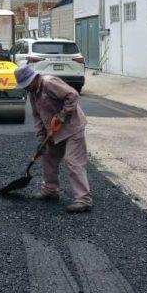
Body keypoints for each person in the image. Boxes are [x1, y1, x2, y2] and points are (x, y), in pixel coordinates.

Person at [13, 64, 92, 213]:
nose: (25, 88)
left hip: (72, 127)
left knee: (72, 160)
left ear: (34, 78)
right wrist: (41, 138)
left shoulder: (49, 83)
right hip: (54, 131)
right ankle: (50, 190)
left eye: (26, 84)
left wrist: (63, 114)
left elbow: (72, 95)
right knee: (48, 157)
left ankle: (83, 199)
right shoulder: (33, 92)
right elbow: (37, 116)